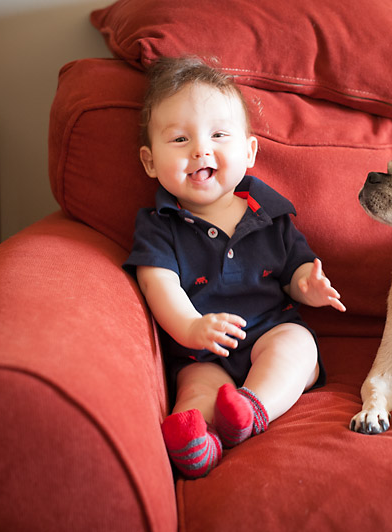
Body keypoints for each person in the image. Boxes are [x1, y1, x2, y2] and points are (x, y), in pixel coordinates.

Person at [124, 56, 345, 478]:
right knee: (196, 388)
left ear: (249, 150)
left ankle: (252, 409)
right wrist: (192, 327)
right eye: (179, 140)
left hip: (268, 330)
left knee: (298, 346)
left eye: (219, 135)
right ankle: (197, 443)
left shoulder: (271, 213)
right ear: (150, 162)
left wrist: (307, 285)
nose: (201, 149)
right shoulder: (159, 226)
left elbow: (296, 267)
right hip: (200, 348)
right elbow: (158, 284)